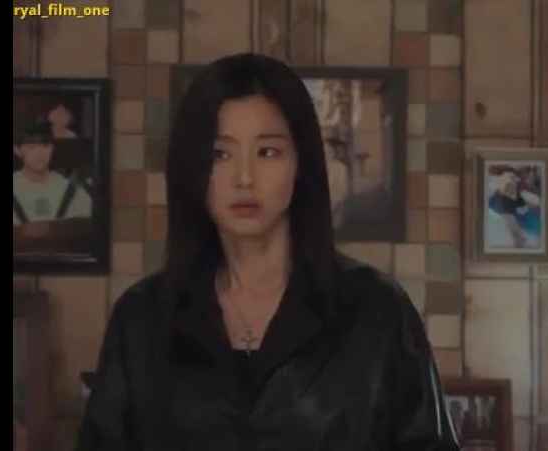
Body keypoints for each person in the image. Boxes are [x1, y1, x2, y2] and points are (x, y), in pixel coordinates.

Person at [75, 53, 458, 450]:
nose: (244, 178)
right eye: (220, 154)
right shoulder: (142, 317)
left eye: (268, 152)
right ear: (191, 168)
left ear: (301, 164)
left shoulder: (377, 309)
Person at [13, 120, 92, 230]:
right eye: (31, 147)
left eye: (45, 146)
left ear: (52, 148)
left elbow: (90, 227)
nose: (39, 153)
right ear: (17, 150)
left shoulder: (70, 188)